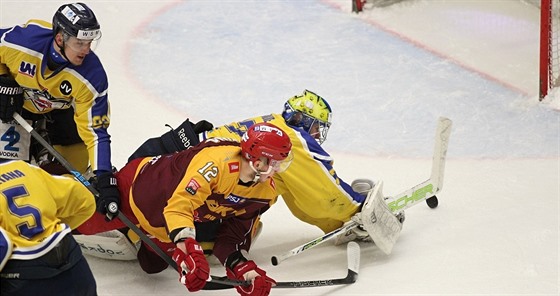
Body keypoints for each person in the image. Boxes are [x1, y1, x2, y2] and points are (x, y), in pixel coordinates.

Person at [129, 90, 403, 244]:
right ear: (304, 121)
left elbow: (297, 192)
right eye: (317, 126)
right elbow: (322, 187)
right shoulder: (291, 138)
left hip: (162, 157)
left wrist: (336, 225)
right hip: (181, 176)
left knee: (273, 182)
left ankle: (137, 229)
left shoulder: (270, 125)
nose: (318, 134)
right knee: (239, 224)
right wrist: (358, 209)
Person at [77, 122, 293, 295]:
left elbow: (233, 236)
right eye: (275, 163)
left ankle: (133, 233)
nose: (278, 169)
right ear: (258, 162)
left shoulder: (263, 194)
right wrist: (188, 246)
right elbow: (179, 207)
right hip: (134, 190)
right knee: (73, 223)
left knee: (151, 266)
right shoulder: (214, 165)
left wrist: (242, 268)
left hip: (164, 227)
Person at [0, 2, 120, 220]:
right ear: (59, 39)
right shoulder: (22, 43)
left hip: (60, 112)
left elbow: (96, 132)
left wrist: (103, 175)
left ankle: (42, 148)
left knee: (70, 177)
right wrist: (2, 80)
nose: (87, 49)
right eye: (80, 43)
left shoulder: (92, 75)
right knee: (9, 176)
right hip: (17, 109)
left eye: (90, 42)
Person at [0, 159, 97, 296]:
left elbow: (2, 245)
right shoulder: (23, 167)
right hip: (73, 265)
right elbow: (85, 201)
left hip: (24, 278)